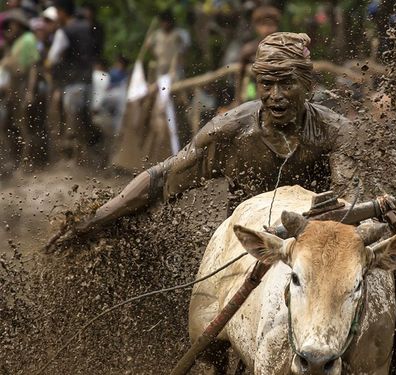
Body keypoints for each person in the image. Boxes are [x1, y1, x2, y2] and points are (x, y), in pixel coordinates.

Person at [52, 32, 357, 243]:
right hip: (246, 245)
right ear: (257, 84)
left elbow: (351, 200)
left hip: (317, 241)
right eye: (266, 84)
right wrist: (96, 219)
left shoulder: (334, 132)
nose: (275, 96)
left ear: (307, 85)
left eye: (287, 84)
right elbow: (163, 177)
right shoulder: (229, 131)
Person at [46, 0, 101, 165]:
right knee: (85, 120)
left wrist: (48, 67)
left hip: (72, 82)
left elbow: (52, 57)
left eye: (57, 11)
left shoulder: (64, 31)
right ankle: (87, 157)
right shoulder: (87, 27)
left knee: (72, 120)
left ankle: (75, 159)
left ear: (63, 12)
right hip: (89, 80)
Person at [0, 8, 41, 176]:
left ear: (18, 24)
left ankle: (27, 165)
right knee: (12, 127)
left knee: (24, 128)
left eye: (11, 25)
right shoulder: (15, 44)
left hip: (23, 88)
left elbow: (32, 67)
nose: (9, 29)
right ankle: (16, 163)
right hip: (14, 90)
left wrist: (30, 92)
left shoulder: (28, 39)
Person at [236, 5, 281, 103]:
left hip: (279, 95)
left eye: (271, 25)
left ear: (277, 26)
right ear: (257, 26)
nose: (268, 29)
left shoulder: (282, 48)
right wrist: (238, 100)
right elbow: (240, 76)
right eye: (264, 25)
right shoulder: (250, 50)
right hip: (255, 94)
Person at [144, 9, 190, 79]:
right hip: (161, 66)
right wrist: (153, 51)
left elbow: (185, 49)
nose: (165, 24)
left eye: (166, 22)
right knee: (162, 87)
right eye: (163, 22)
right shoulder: (156, 34)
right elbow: (148, 46)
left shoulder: (179, 33)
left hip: (175, 67)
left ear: (171, 22)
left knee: (176, 86)